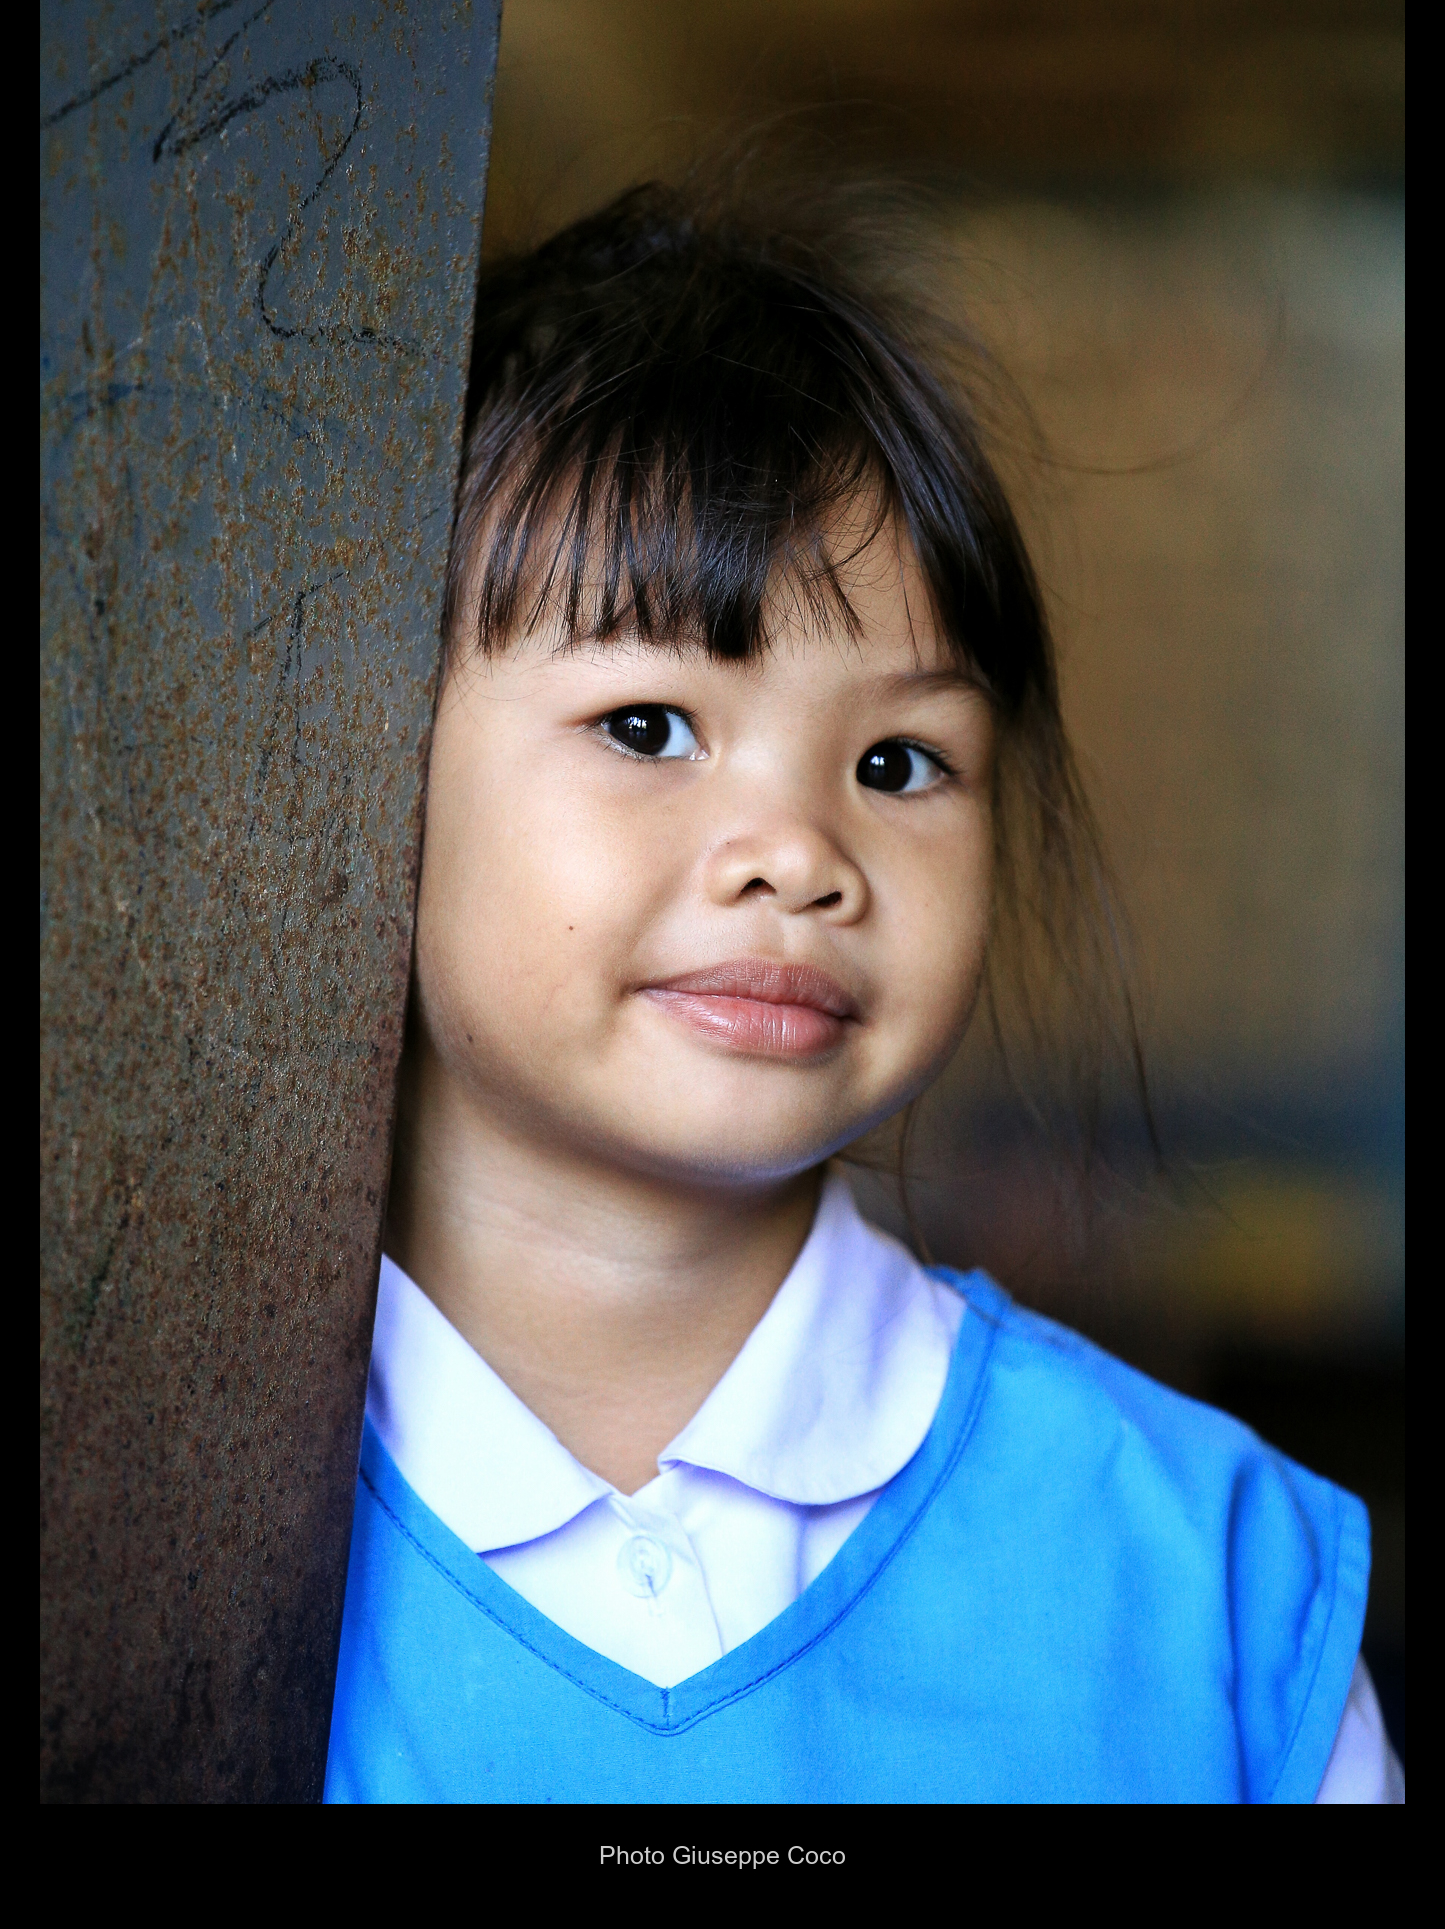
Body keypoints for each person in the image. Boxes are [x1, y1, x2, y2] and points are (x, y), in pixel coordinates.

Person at [324, 182, 1403, 1803]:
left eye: (898, 761)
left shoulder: (1208, 1584)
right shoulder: (140, 1520)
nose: (797, 853)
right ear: (361, 760)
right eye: (647, 725)